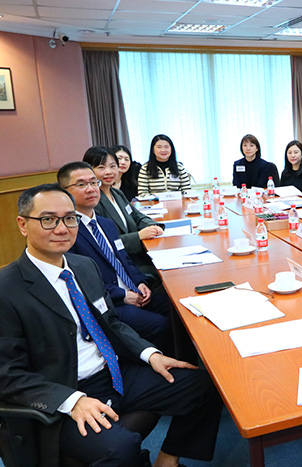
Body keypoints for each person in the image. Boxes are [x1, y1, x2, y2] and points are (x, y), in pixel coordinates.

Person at [0, 183, 221, 466]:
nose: (61, 228)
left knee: (204, 384)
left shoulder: (82, 267)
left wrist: (150, 354)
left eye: (69, 218)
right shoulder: (8, 289)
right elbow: (7, 374)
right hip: (64, 392)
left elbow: (111, 324)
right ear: (23, 224)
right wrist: (71, 400)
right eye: (48, 219)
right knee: (121, 448)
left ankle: (167, 460)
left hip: (113, 373)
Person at [58, 162, 172, 351]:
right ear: (64, 192)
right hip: (109, 303)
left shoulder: (105, 224)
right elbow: (80, 281)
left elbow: (123, 259)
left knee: (177, 307)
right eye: (81, 184)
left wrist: (140, 283)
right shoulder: (67, 232)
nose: (91, 189)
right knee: (160, 325)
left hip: (133, 291)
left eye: (94, 183)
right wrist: (122, 296)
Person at [84, 146, 163, 260]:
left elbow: (136, 216)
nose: (109, 172)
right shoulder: (92, 201)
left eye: (112, 166)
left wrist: (152, 226)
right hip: (121, 261)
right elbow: (104, 242)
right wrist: (138, 236)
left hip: (137, 255)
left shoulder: (117, 193)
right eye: (101, 167)